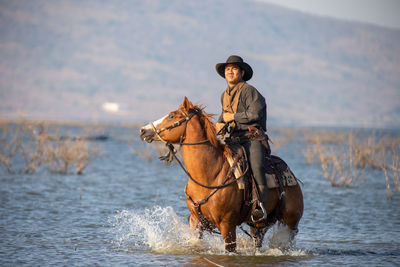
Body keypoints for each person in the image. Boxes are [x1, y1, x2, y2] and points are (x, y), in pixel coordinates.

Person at [215, 55, 270, 221]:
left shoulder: (250, 91)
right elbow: (225, 116)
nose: (230, 72)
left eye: (234, 69)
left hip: (252, 138)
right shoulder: (224, 95)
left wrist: (233, 117)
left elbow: (255, 114)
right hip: (233, 139)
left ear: (242, 72)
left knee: (257, 166)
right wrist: (218, 124)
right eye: (227, 69)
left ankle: (260, 206)